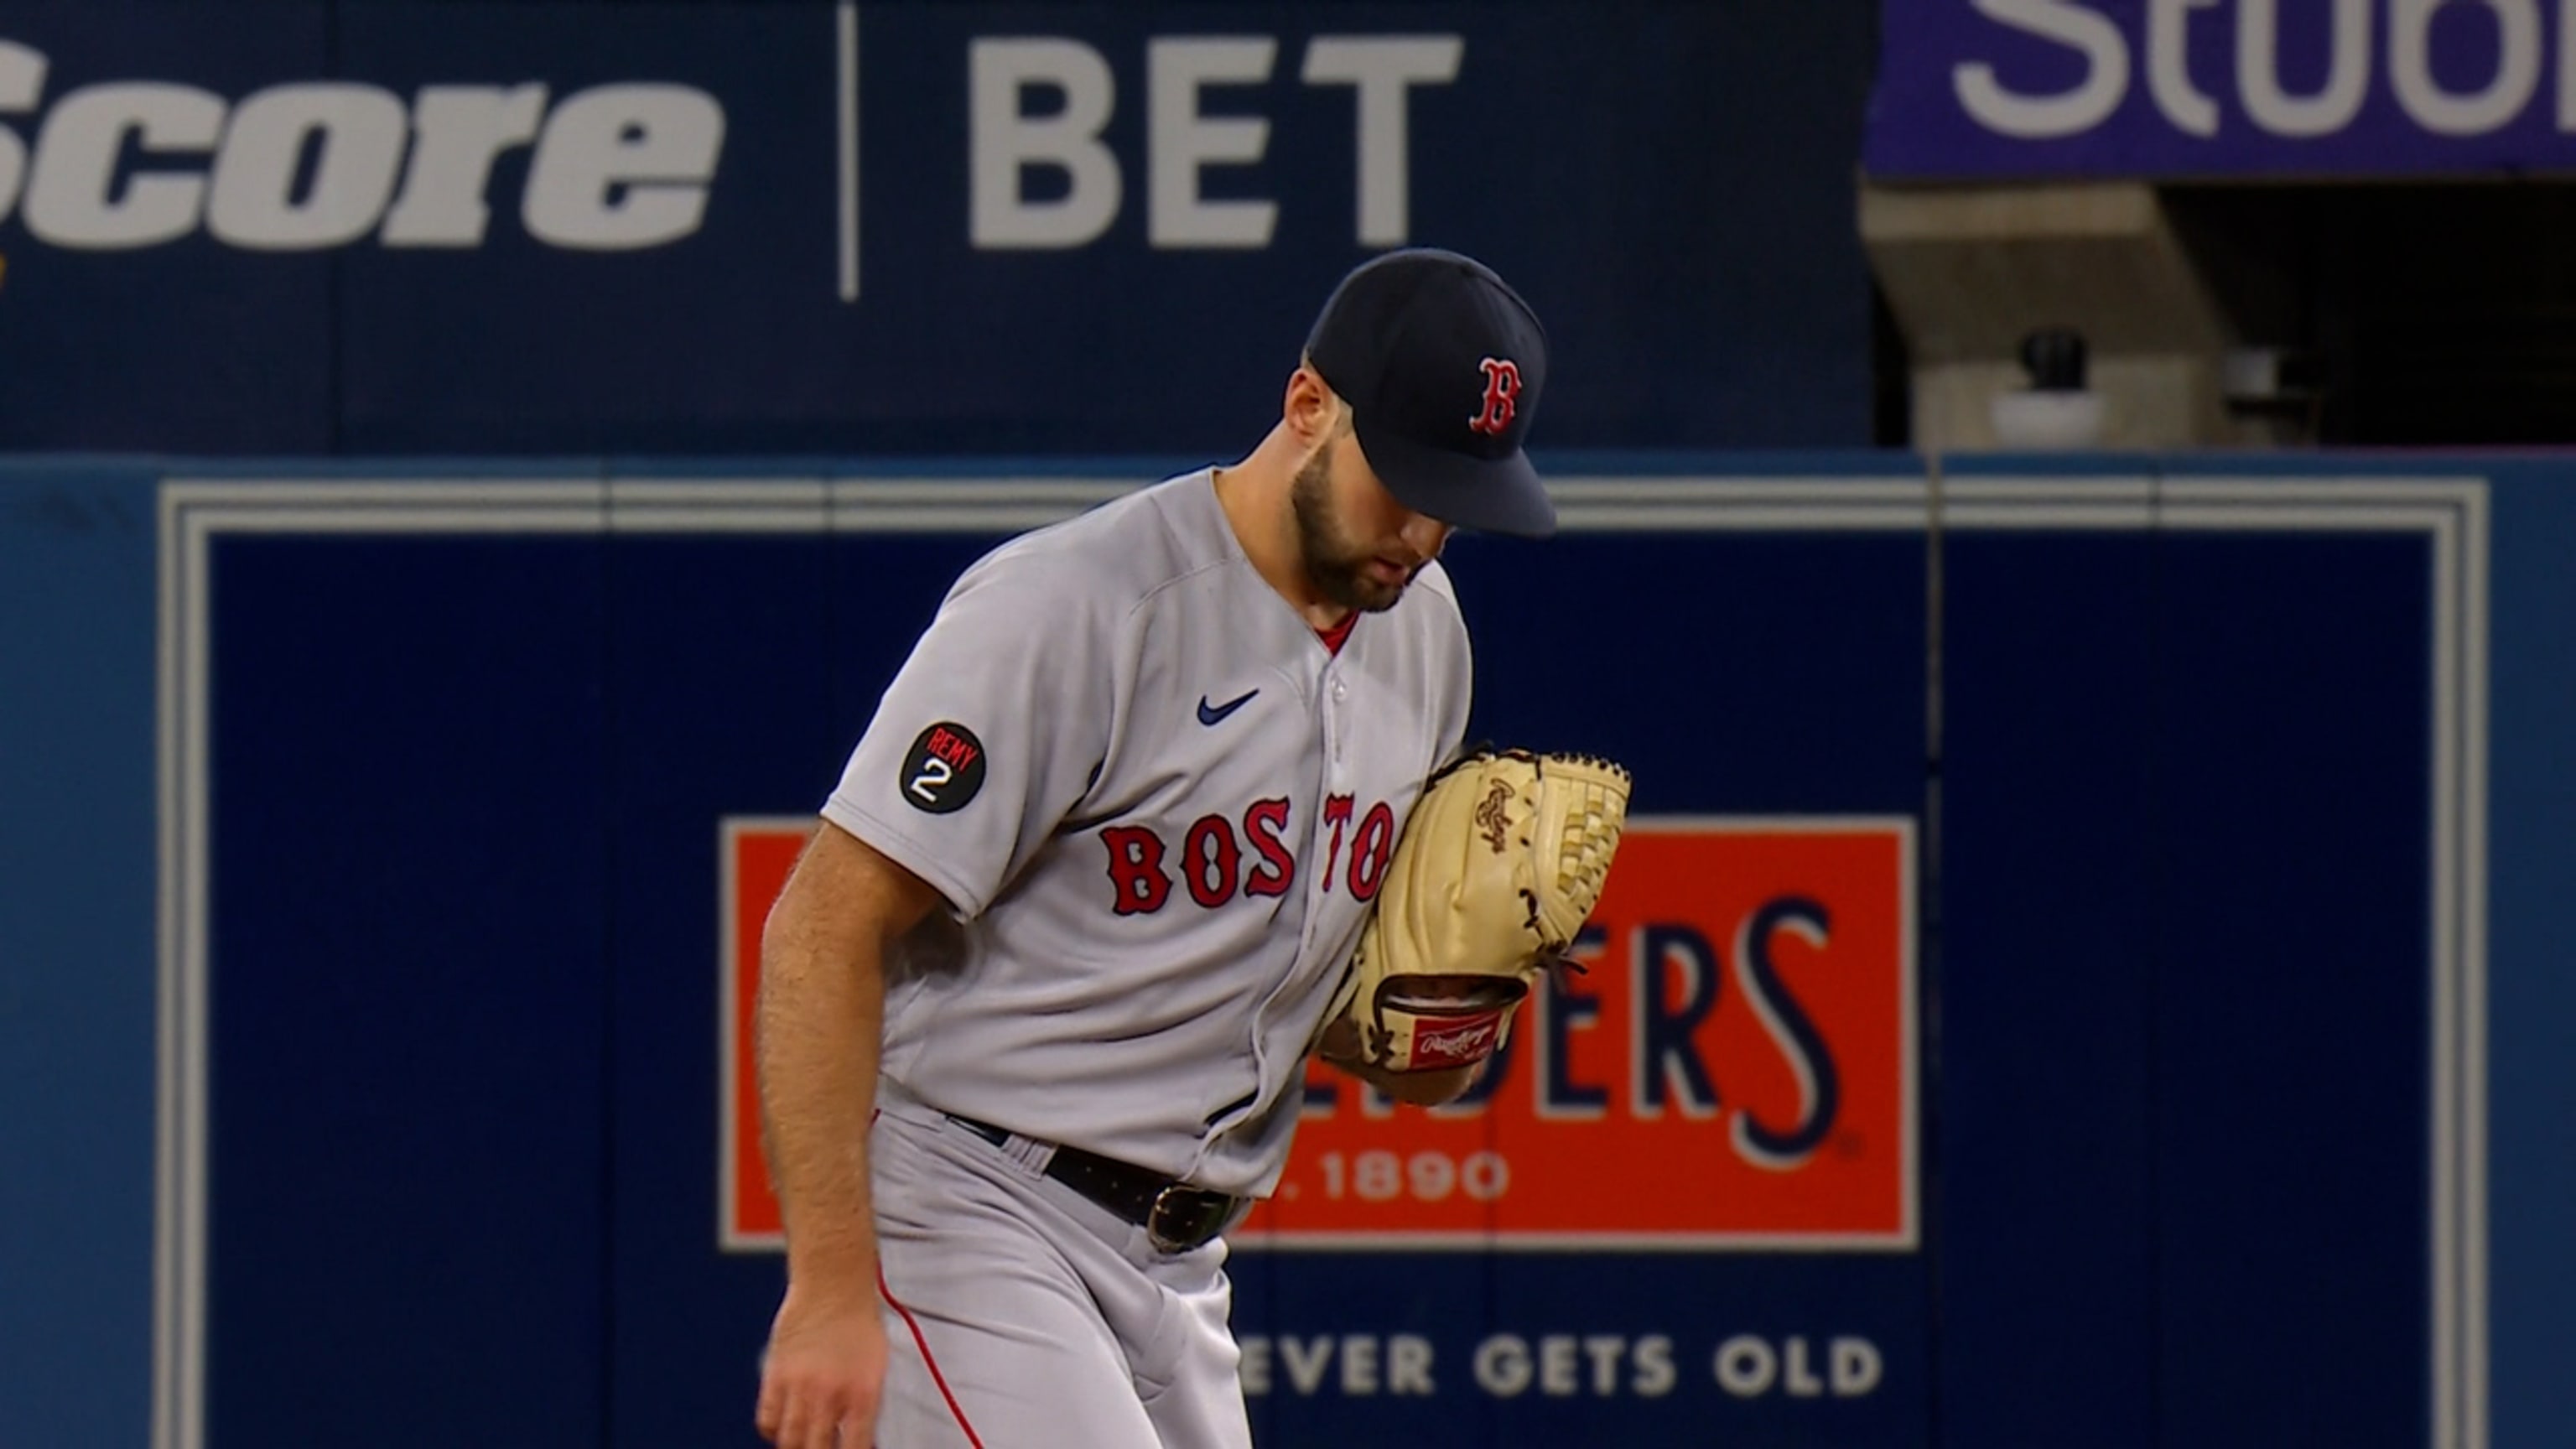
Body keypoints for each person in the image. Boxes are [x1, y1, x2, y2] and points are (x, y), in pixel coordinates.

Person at [752, 247, 1558, 1449]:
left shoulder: (1424, 634)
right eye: (1402, 479)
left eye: (1457, 500)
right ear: (1307, 409)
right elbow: (819, 928)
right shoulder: (1079, 606)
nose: (1424, 532)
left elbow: (1389, 1054)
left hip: (1181, 1260)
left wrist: (1449, 1010)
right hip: (974, 1209)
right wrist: (828, 1287)